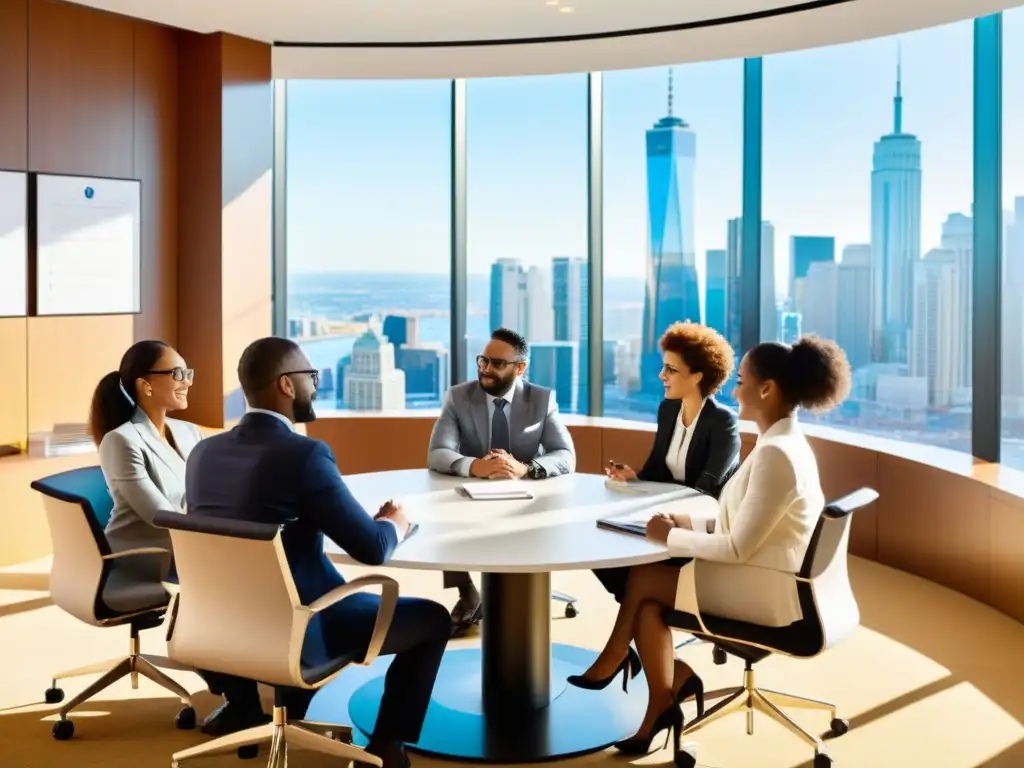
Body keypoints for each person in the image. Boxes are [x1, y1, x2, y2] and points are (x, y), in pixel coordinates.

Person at [568, 335, 851, 761]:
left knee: (645, 578)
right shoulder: (781, 444)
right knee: (646, 605)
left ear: (766, 389)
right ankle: (659, 706)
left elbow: (737, 547)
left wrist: (671, 537)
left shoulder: (777, 454)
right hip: (767, 573)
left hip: (769, 593)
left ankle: (616, 660)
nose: (734, 390)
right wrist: (684, 522)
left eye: (741, 381)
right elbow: (738, 519)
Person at [184, 337, 449, 768]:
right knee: (434, 618)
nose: (317, 386)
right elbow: (372, 549)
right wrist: (395, 522)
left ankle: (248, 703)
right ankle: (386, 745)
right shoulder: (304, 455)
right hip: (300, 629)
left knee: (298, 583)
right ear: (286, 385)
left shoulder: (203, 453)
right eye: (312, 377)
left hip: (221, 626)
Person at [427, 327, 576, 637]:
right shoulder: (459, 396)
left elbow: (565, 454)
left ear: (519, 368)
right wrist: (476, 466)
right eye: (483, 361)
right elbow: (437, 453)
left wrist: (525, 469)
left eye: (496, 363)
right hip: (471, 496)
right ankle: (468, 592)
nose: (485, 369)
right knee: (441, 514)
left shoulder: (541, 399)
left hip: (527, 497)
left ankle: (521, 590)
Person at [596, 321, 740, 603]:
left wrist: (663, 514)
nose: (662, 375)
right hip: (663, 514)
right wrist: (634, 478)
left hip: (699, 526)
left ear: (697, 376)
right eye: (664, 367)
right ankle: (638, 604)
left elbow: (707, 490)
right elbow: (657, 470)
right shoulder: (668, 409)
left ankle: (642, 604)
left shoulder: (722, 421)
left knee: (628, 564)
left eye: (671, 370)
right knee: (601, 539)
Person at [90, 340, 202, 591]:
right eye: (177, 374)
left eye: (188, 373)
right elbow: (159, 516)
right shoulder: (121, 440)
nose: (188, 382)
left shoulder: (189, 431)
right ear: (146, 385)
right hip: (142, 556)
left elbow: (208, 490)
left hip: (184, 548)